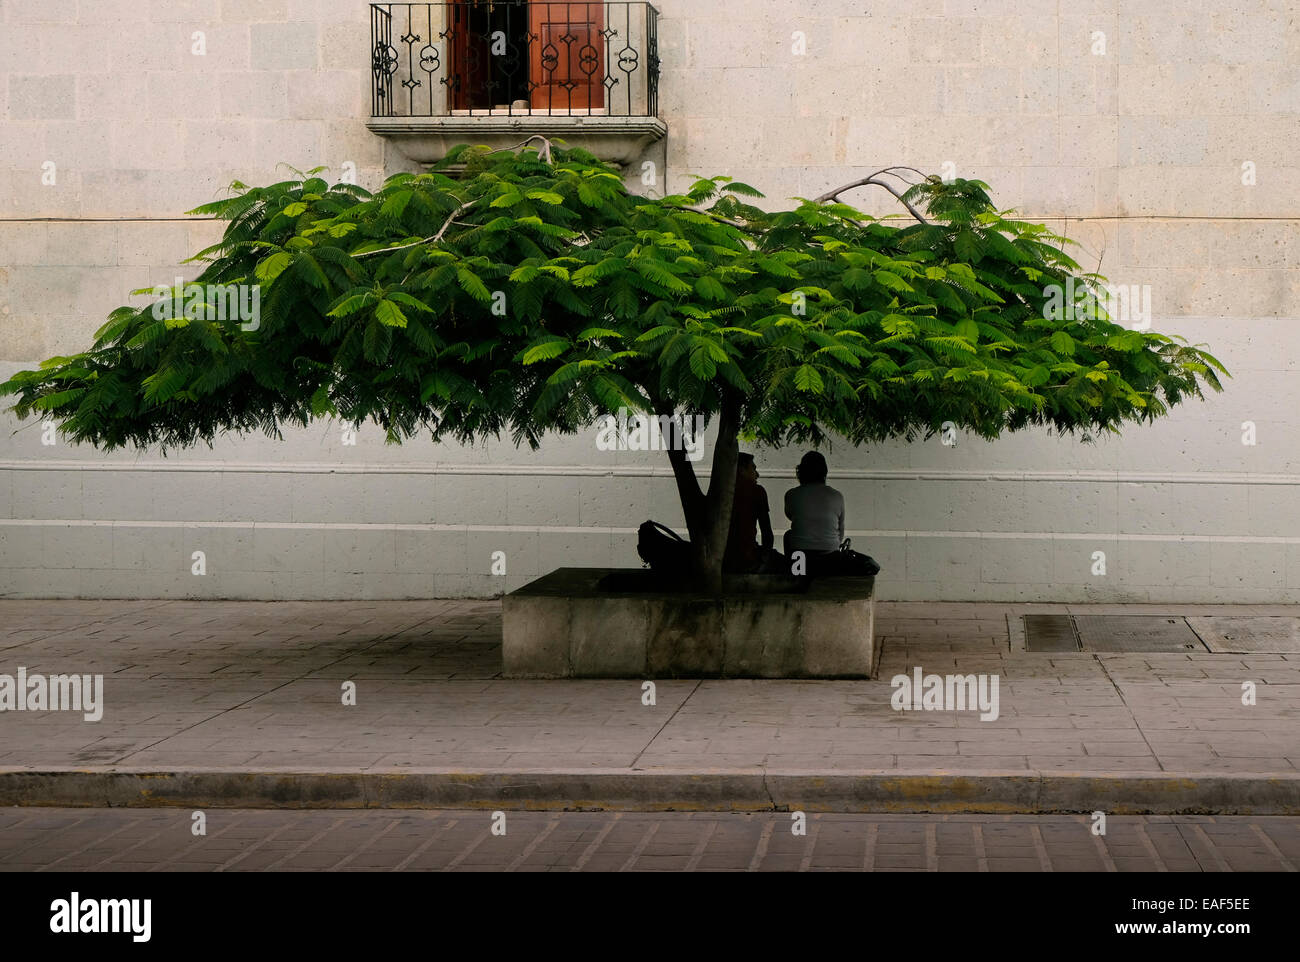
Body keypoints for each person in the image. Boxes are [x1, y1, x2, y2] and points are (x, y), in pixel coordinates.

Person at [783, 451, 879, 577]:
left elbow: (790, 515)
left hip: (800, 557)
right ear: (824, 472)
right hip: (830, 557)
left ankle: (794, 575)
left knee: (788, 535)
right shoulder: (836, 496)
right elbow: (840, 530)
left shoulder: (792, 495)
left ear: (801, 472)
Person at [724, 453, 785, 574]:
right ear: (741, 470)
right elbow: (766, 532)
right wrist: (764, 559)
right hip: (747, 559)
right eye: (753, 468)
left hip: (724, 559)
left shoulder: (720, 491)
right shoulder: (757, 491)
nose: (757, 474)